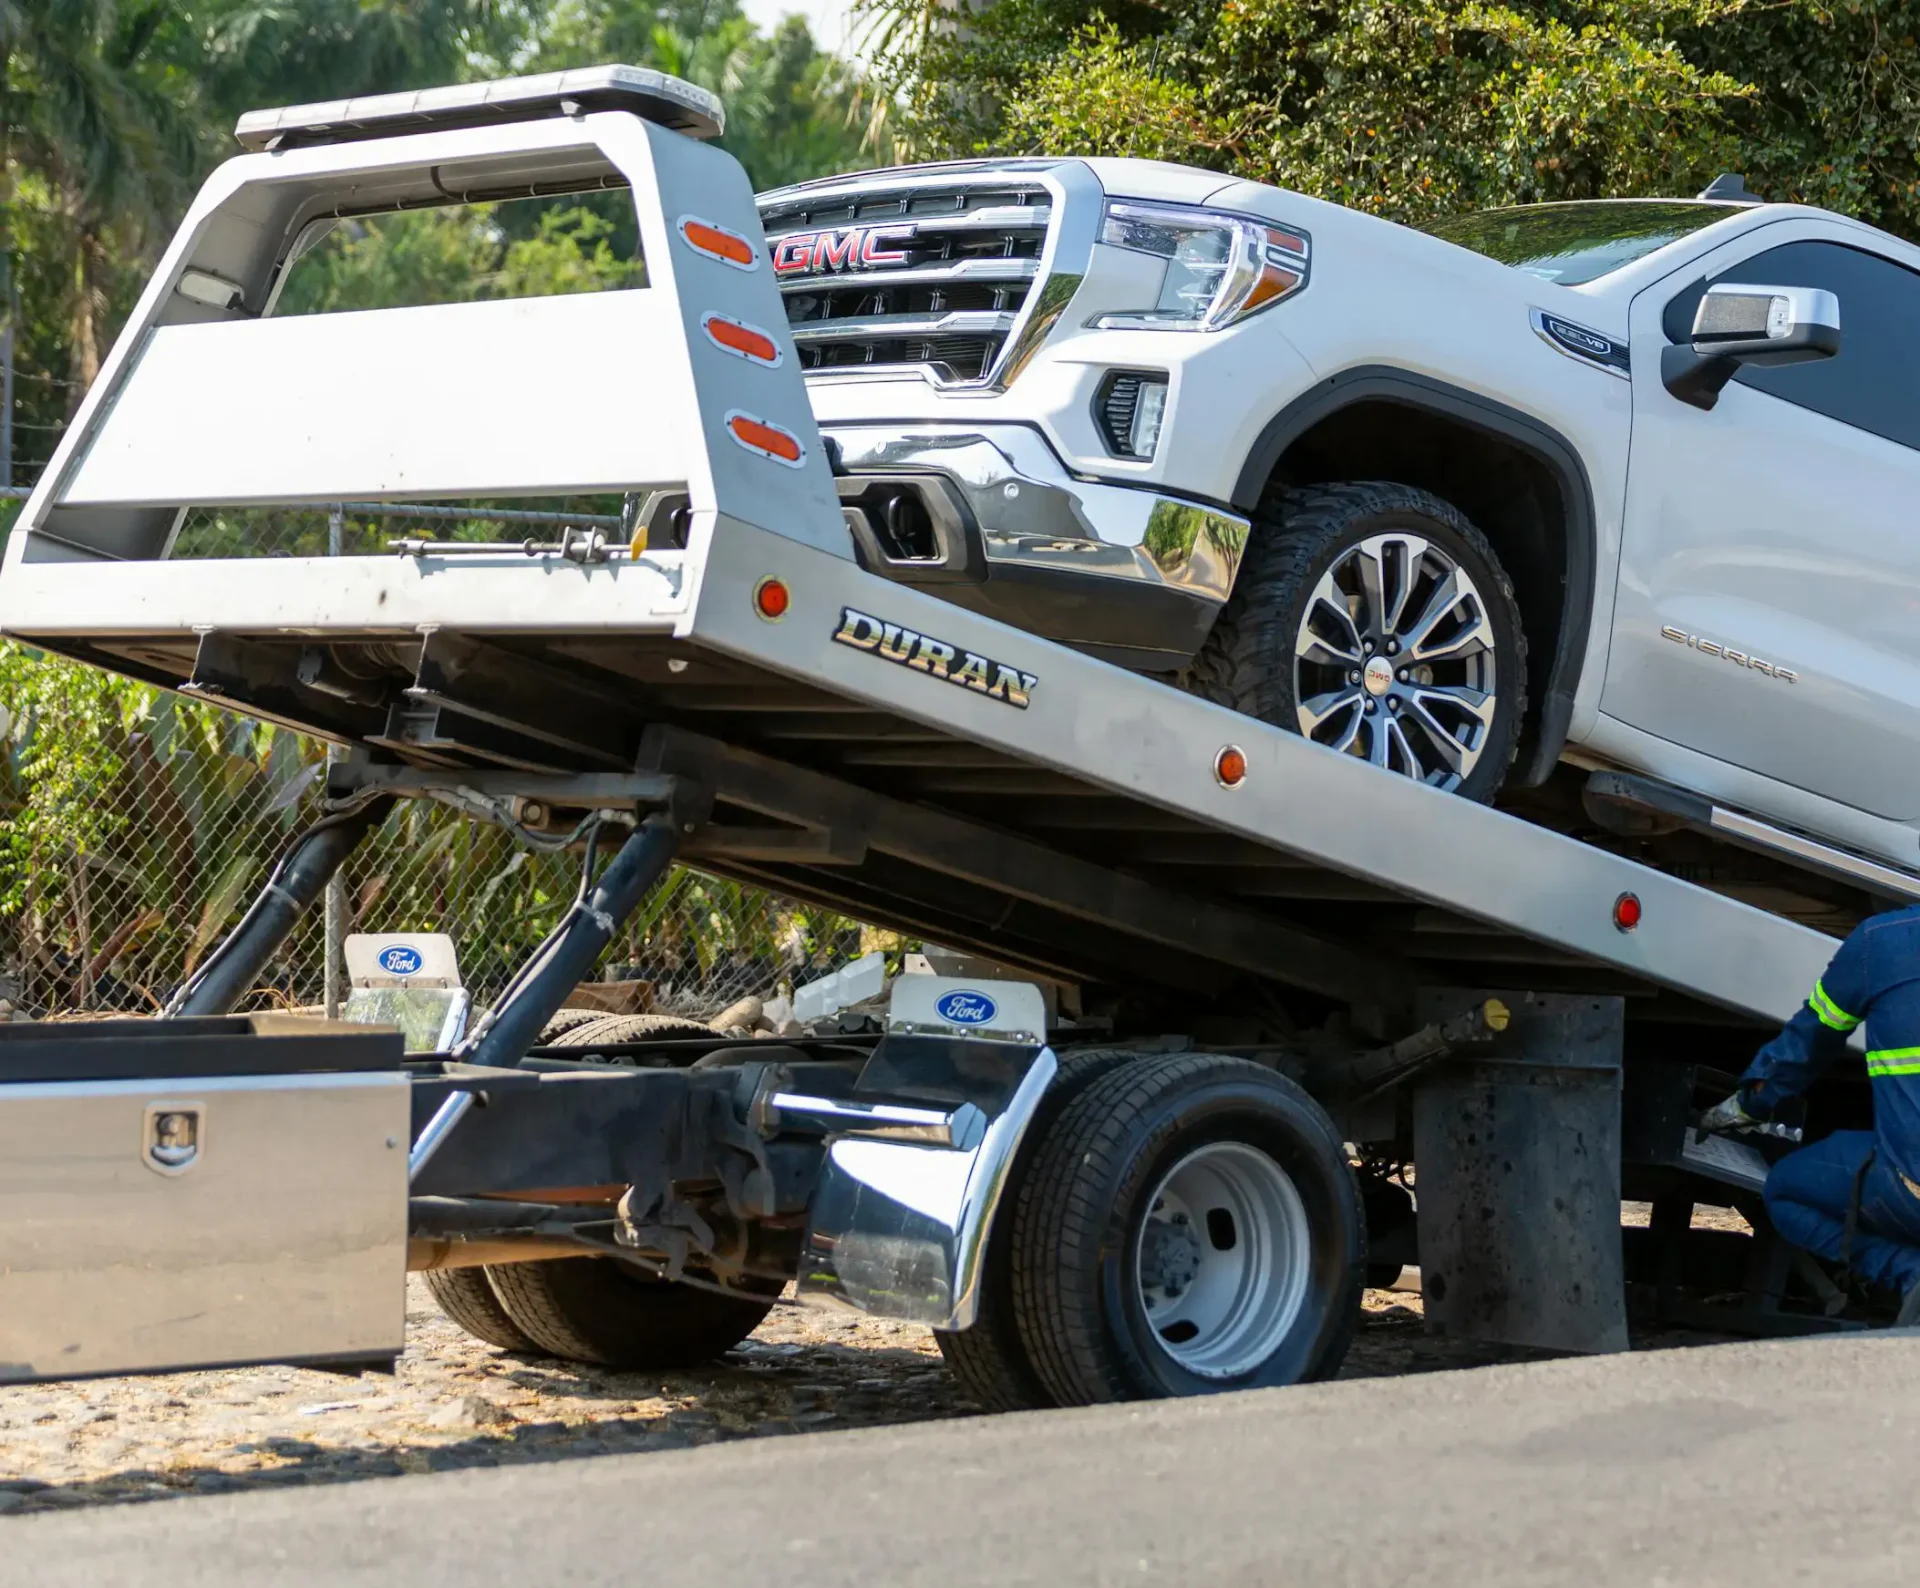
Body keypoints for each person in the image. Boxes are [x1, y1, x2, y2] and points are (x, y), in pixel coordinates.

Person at [1701, 906, 1920, 1324]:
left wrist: (1748, 1105)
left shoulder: (1881, 941)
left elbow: (1806, 1046)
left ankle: (1911, 1274)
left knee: (1783, 1191)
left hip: (1909, 1189)